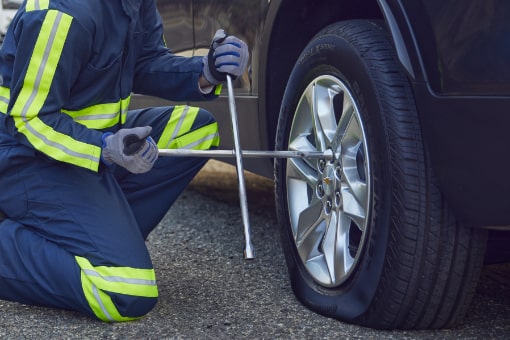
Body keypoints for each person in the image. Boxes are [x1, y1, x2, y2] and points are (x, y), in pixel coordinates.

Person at [0, 0, 248, 322]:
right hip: (27, 157)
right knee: (125, 291)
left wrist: (205, 71)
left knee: (193, 133)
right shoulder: (61, 12)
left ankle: (97, 235)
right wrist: (102, 147)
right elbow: (30, 120)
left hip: (88, 147)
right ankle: (91, 243)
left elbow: (145, 62)